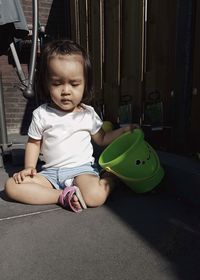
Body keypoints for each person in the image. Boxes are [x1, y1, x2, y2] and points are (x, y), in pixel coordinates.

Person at [4, 39, 138, 213]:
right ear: (46, 83)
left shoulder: (87, 113)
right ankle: (62, 196)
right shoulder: (41, 114)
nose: (66, 90)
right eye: (57, 83)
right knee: (12, 186)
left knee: (94, 197)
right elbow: (33, 143)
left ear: (85, 84)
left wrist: (124, 130)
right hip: (50, 173)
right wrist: (29, 168)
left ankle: (110, 179)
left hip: (82, 170)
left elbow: (103, 138)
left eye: (74, 84)